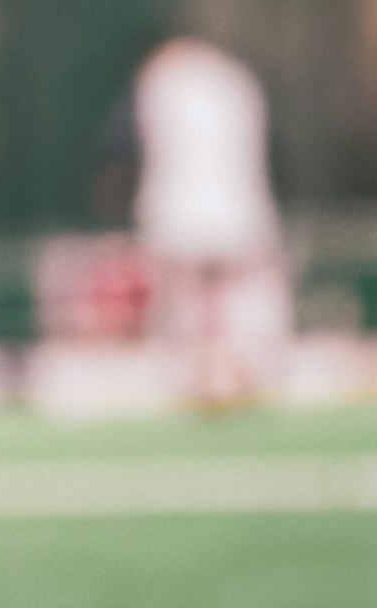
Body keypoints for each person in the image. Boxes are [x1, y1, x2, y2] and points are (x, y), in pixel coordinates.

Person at [133, 37, 289, 406]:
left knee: (198, 298)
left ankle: (214, 374)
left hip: (191, 213)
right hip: (229, 212)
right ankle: (224, 373)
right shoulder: (234, 82)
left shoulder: (166, 82)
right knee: (224, 297)